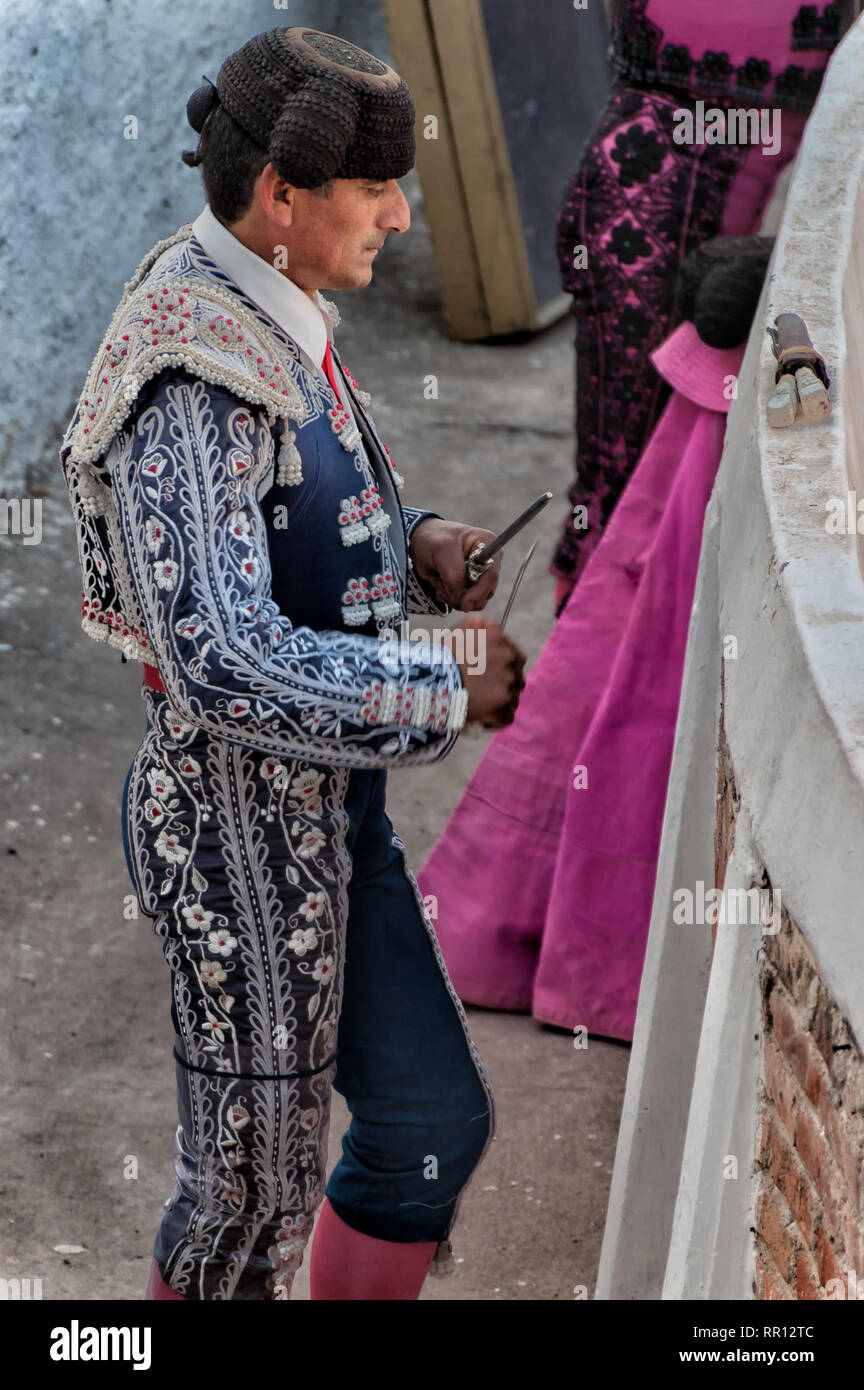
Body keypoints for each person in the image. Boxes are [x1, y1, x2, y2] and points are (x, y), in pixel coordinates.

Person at [58, 26, 526, 1301]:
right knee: (245, 1204)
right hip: (236, 846)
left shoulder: (267, 297)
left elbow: (297, 503)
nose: (403, 213)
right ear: (283, 195)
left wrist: (410, 531)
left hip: (333, 823)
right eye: (376, 191)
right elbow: (217, 656)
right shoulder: (190, 369)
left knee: (427, 1128)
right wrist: (439, 683)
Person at [418, 236, 773, 1042]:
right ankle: (578, 947)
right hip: (714, 337)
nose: (402, 215)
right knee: (636, 631)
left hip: (722, 336)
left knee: (636, 632)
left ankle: (563, 942)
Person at [550, 0, 858, 612]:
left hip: (685, 161)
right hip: (651, 167)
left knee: (641, 482)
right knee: (626, 482)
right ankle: (586, 688)